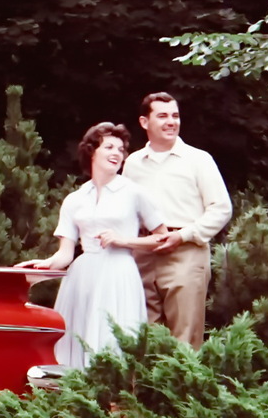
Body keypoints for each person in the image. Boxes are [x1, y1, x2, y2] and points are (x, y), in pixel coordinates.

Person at [19, 122, 165, 369]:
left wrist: (124, 241)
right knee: (79, 337)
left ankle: (117, 403)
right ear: (91, 151)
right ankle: (78, 400)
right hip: (83, 277)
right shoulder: (75, 199)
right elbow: (64, 255)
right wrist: (39, 267)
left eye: (121, 149)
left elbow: (162, 237)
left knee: (115, 338)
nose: (117, 153)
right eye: (109, 147)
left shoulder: (133, 192)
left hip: (119, 274)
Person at [123, 92, 231, 348]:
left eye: (175, 115)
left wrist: (183, 235)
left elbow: (221, 208)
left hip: (186, 252)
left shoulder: (199, 160)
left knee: (185, 340)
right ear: (144, 122)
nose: (171, 121)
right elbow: (125, 211)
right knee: (144, 337)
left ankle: (185, 389)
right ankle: (146, 390)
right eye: (162, 116)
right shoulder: (133, 163)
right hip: (144, 254)